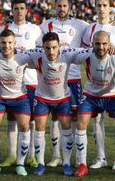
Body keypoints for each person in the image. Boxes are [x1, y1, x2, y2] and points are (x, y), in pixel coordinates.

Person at [82, 0, 115, 171]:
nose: (102, 9)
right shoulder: (89, 29)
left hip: (114, 86)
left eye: (105, 5)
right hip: (95, 86)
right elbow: (84, 55)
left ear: (110, 7)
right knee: (96, 121)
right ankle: (100, 156)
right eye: (99, 5)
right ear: (95, 7)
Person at [39, 0, 89, 168]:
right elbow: (35, 44)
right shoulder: (45, 25)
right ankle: (56, 156)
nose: (61, 9)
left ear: (69, 7)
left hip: (74, 79)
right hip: (54, 79)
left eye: (64, 6)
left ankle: (74, 156)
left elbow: (98, 34)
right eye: (59, 6)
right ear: (55, 7)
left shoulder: (81, 25)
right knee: (55, 118)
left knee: (74, 120)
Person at [28, 32, 87, 176]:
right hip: (42, 98)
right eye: (47, 48)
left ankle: (66, 162)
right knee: (39, 128)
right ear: (42, 47)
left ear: (59, 46)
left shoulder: (67, 54)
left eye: (54, 47)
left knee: (66, 129)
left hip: (62, 98)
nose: (51, 51)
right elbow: (15, 53)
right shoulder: (36, 55)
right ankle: (41, 163)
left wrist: (109, 47)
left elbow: (88, 53)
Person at [74, 30, 115, 177]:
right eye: (98, 44)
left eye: (104, 44)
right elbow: (65, 54)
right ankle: (82, 165)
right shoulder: (86, 54)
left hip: (113, 96)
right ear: (92, 43)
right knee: (80, 124)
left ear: (109, 44)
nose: (101, 47)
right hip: (91, 95)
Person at [0, 0, 42, 168]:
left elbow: (42, 50)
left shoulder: (35, 29)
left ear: (26, 10)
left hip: (31, 81)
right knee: (11, 119)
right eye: (16, 8)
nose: (19, 11)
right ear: (12, 10)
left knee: (30, 121)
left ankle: (31, 156)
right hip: (10, 83)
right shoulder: (5, 28)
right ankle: (12, 155)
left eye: (22, 8)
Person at [0, 29, 31, 176]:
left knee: (24, 126)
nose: (7, 46)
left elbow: (43, 56)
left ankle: (20, 164)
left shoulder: (24, 57)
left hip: (19, 98)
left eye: (10, 42)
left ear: (15, 43)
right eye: (3, 42)